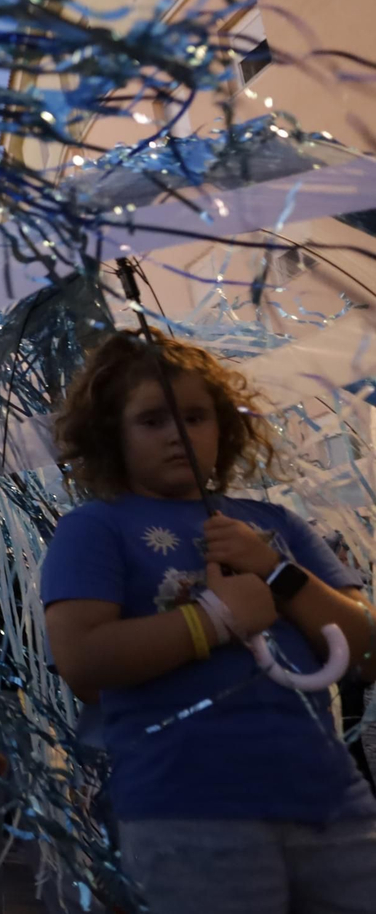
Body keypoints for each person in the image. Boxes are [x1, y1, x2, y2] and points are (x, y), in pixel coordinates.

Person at [41, 331, 376, 914]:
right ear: (111, 436)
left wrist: (275, 569)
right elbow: (84, 664)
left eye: (195, 416)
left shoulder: (274, 524)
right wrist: (215, 619)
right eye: (152, 420)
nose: (178, 433)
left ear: (222, 427)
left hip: (329, 800)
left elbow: (364, 648)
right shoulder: (95, 529)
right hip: (188, 811)